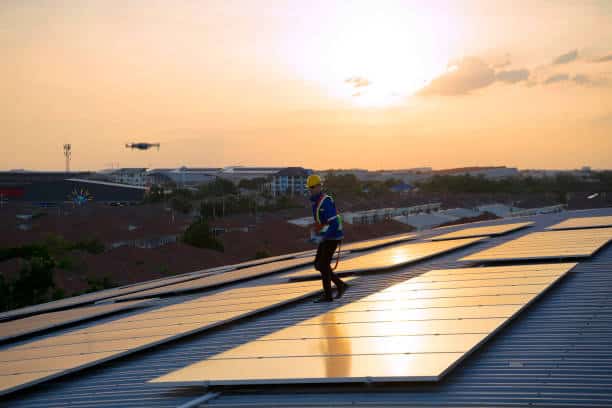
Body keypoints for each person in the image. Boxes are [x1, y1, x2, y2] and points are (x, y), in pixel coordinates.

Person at [306, 174, 349, 302]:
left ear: (319, 186)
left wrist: (323, 237)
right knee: (318, 264)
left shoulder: (325, 201)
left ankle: (328, 295)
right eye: (310, 188)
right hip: (326, 237)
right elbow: (323, 222)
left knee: (323, 265)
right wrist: (315, 232)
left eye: (313, 187)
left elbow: (334, 223)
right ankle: (340, 285)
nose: (311, 189)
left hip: (332, 237)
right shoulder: (317, 202)